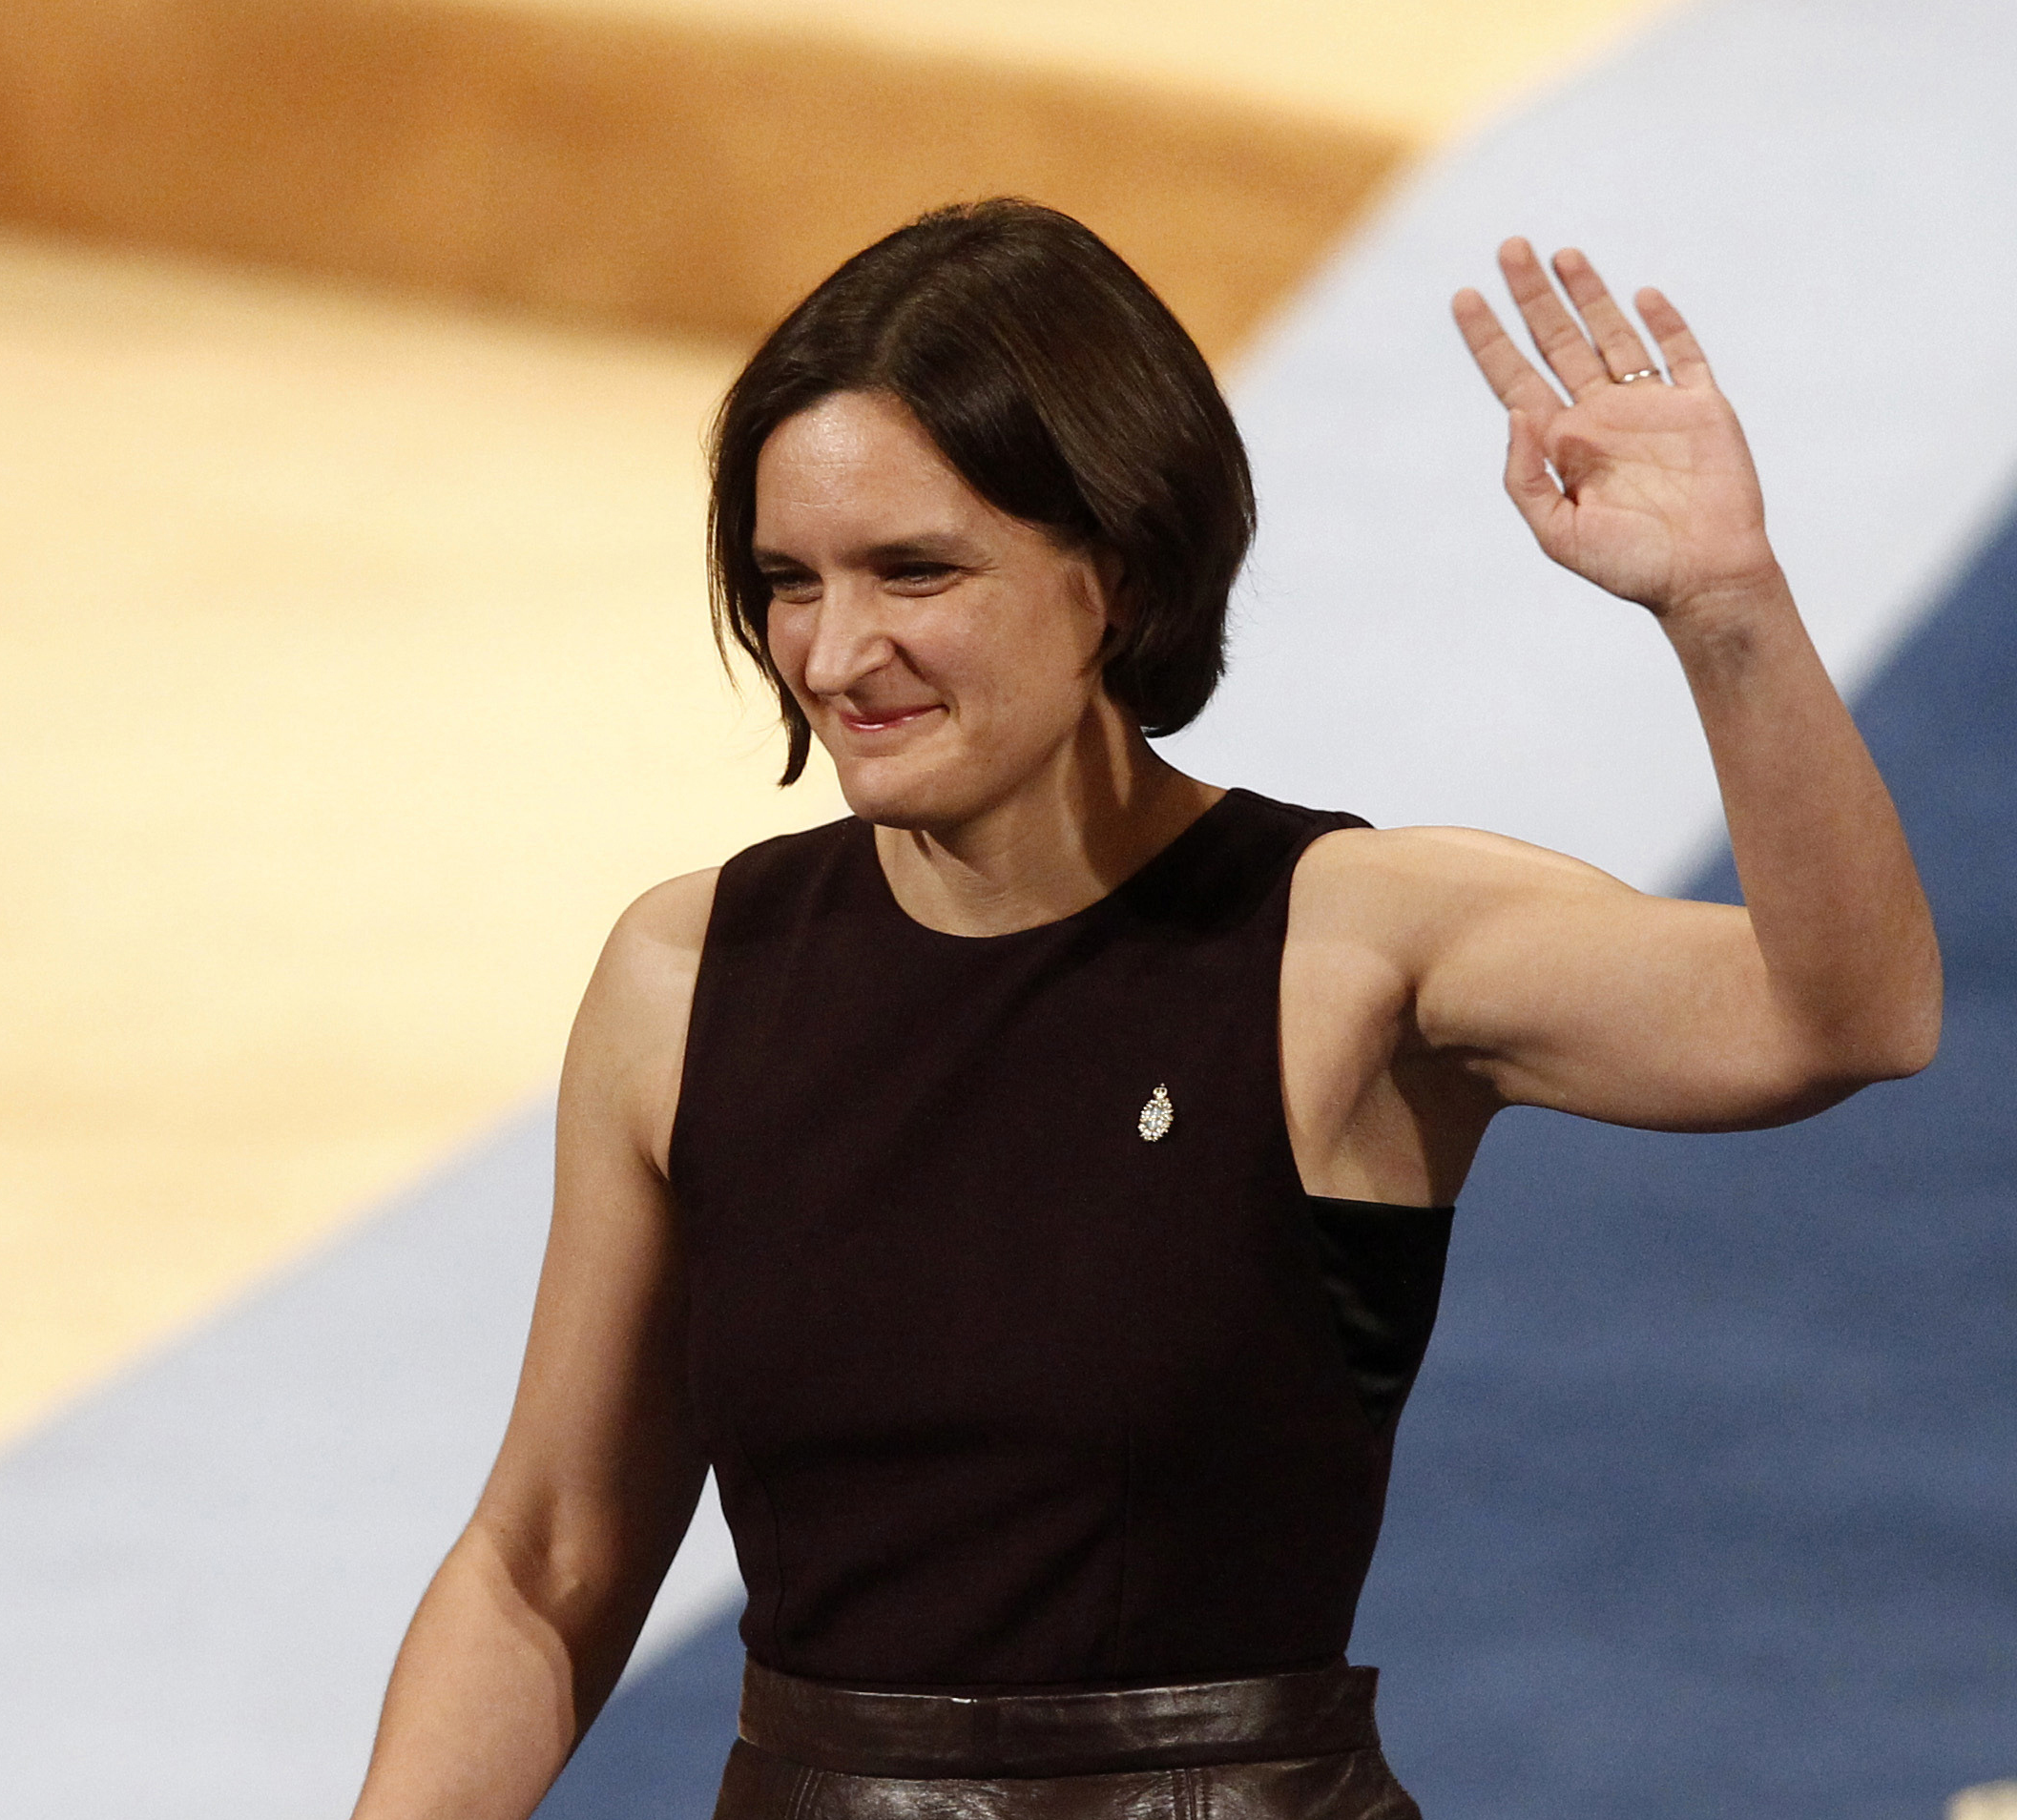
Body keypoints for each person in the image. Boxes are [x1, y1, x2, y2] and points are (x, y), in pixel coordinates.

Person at [347, 199, 1940, 1818]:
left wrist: (1727, 607)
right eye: (787, 581)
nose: (836, 652)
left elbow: (1839, 1016)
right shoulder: (687, 977)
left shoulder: (1352, 944)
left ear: (1113, 574)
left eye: (915, 571)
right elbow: (545, 1562)